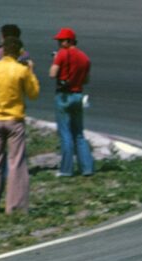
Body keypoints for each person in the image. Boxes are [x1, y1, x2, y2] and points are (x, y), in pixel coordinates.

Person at [0, 36, 39, 214]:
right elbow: (33, 93)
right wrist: (31, 71)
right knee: (16, 163)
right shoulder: (22, 70)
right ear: (18, 51)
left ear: (4, 50)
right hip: (15, 120)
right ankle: (15, 205)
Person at [49, 27, 93, 177]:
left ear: (69, 41)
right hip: (78, 95)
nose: (59, 43)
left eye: (61, 41)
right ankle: (87, 168)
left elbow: (52, 74)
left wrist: (56, 60)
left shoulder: (62, 54)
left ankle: (66, 170)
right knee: (79, 133)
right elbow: (86, 80)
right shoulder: (85, 58)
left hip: (63, 96)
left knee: (66, 133)